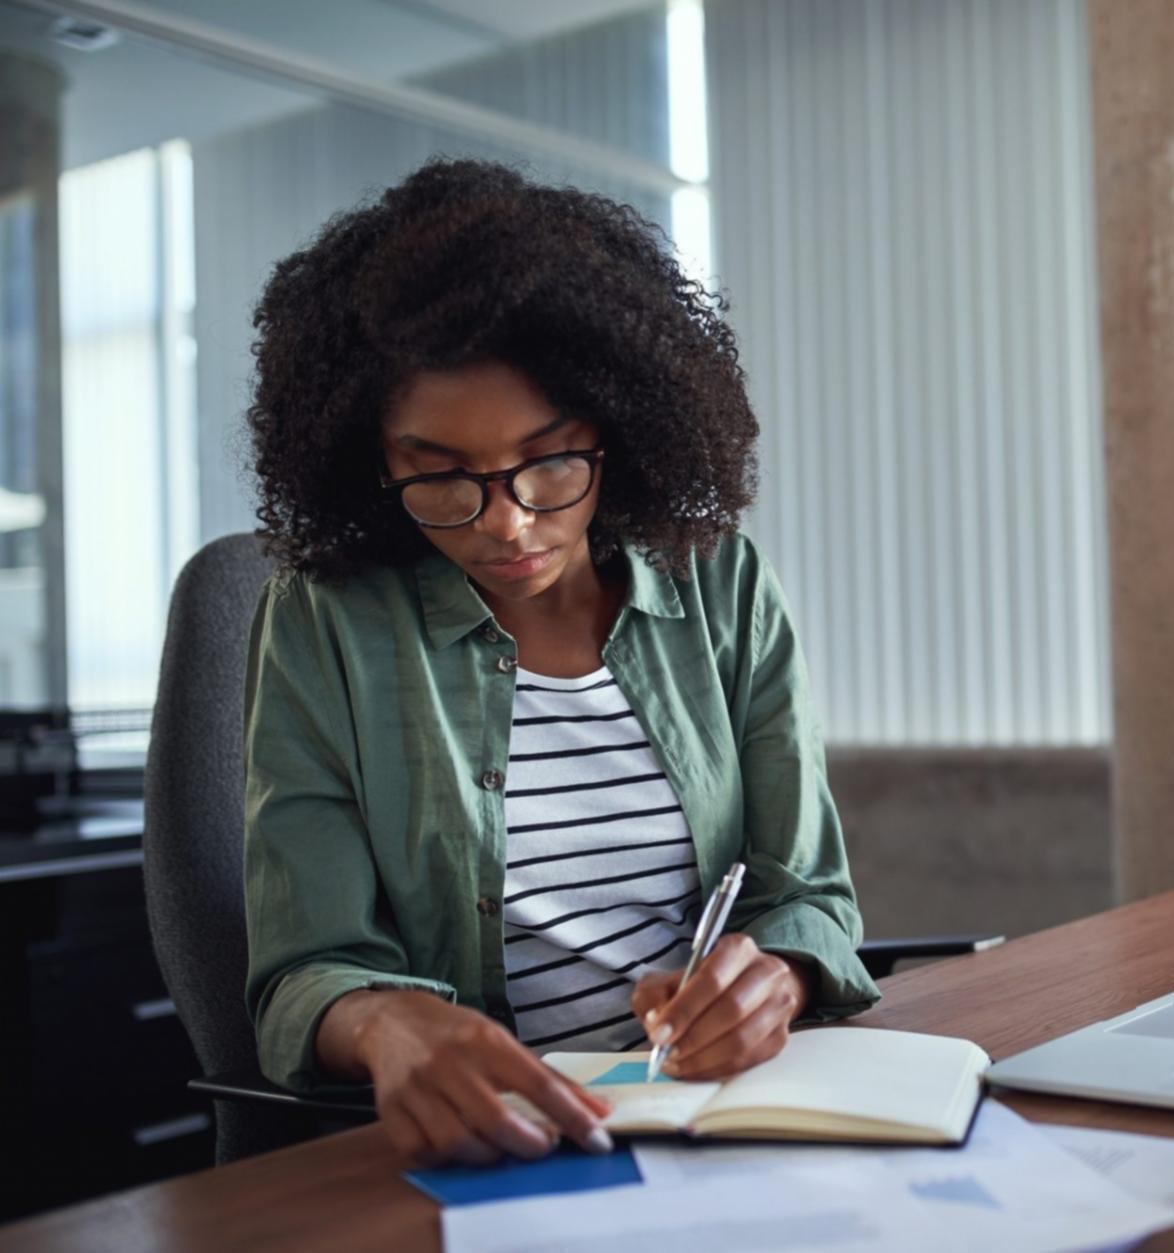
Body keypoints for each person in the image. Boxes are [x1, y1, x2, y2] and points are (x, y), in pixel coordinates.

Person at [240, 158, 879, 1168]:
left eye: (549, 461)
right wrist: (385, 1023)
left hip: (714, 1119)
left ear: (616, 428)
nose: (507, 522)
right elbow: (304, 971)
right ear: (374, 460)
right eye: (440, 475)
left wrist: (778, 978)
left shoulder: (722, 586)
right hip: (490, 1150)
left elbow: (806, 896)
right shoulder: (326, 624)